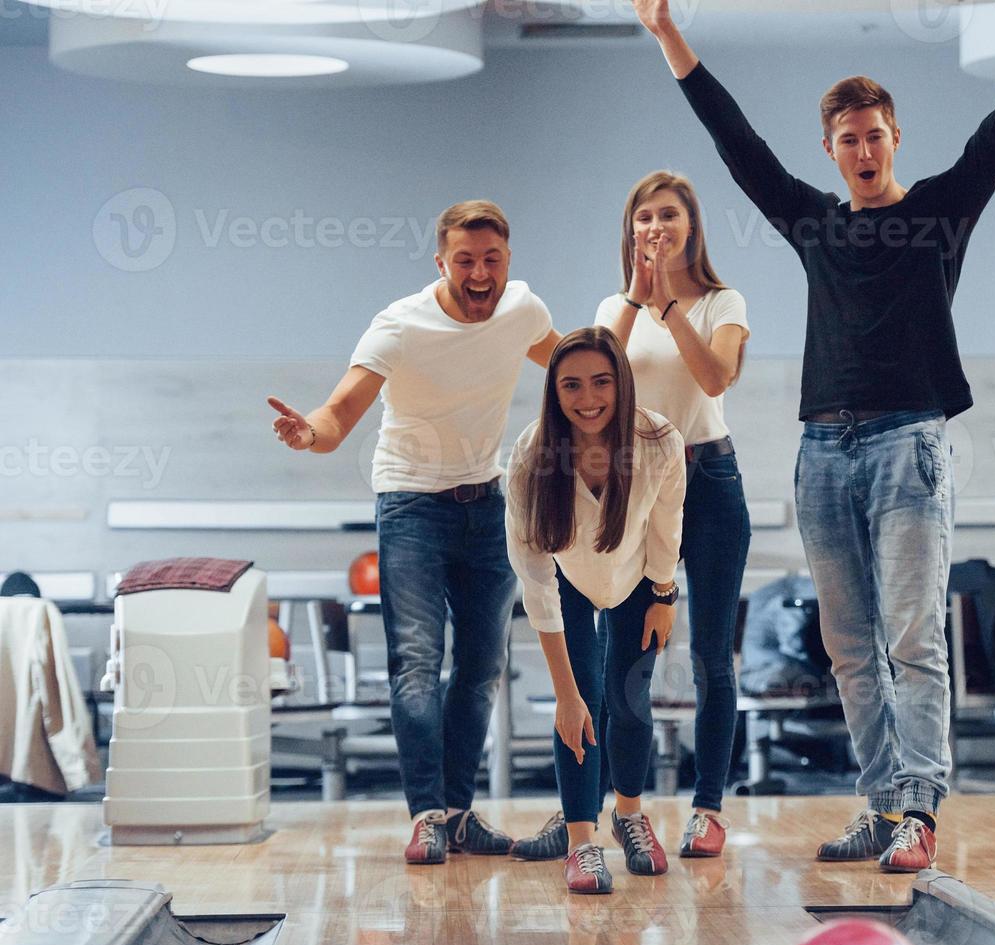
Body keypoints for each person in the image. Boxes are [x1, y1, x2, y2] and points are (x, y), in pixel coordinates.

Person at [631, 0, 995, 871]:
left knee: (911, 640)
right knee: (849, 648)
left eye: (876, 136)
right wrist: (666, 32)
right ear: (830, 149)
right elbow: (736, 144)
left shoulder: (938, 212)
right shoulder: (813, 222)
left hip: (907, 446)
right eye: (849, 139)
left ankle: (919, 815)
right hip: (821, 453)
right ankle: (883, 805)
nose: (863, 151)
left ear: (895, 140)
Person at [268, 200, 560, 864]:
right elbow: (340, 413)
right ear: (441, 263)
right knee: (417, 664)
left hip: (487, 504)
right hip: (410, 506)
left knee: (482, 669)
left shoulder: (523, 311)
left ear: (508, 261)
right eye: (465, 261)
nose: (479, 273)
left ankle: (458, 814)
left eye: (491, 259)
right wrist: (307, 432)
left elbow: (575, 371)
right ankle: (427, 814)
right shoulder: (399, 326)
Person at [509, 172, 751, 863]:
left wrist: (670, 308)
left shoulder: (719, 302)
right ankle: (586, 812)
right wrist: (634, 300)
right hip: (622, 480)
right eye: (643, 217)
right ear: (631, 230)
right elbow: (586, 367)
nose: (655, 226)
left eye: (668, 215)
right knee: (615, 670)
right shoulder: (615, 306)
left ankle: (706, 808)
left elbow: (713, 378)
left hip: (704, 476)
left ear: (690, 226)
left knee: (708, 656)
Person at [504, 327, 687, 895]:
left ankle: (629, 814)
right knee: (578, 707)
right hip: (566, 581)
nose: (588, 398)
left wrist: (664, 593)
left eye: (602, 382)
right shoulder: (533, 455)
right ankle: (581, 842)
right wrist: (564, 690)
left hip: (635, 579)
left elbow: (666, 526)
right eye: (572, 385)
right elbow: (534, 575)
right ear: (554, 391)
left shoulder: (658, 441)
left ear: (622, 383)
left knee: (629, 702)